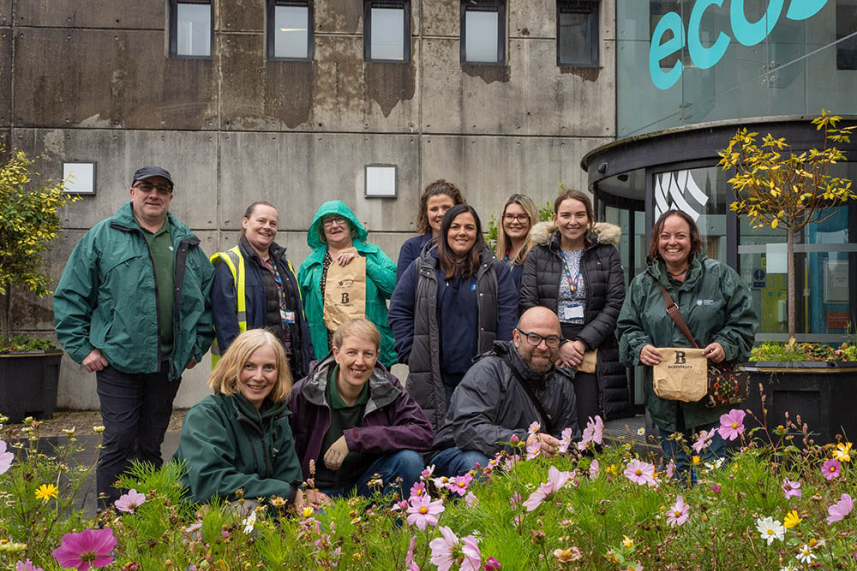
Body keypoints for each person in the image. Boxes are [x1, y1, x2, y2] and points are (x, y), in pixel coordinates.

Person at [54, 166, 215, 507]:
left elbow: (206, 300)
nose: (153, 194)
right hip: (118, 363)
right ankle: (109, 521)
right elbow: (71, 295)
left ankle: (145, 517)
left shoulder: (186, 241)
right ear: (132, 193)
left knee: (151, 442)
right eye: (146, 187)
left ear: (171, 196)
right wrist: (83, 349)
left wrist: (195, 349)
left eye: (161, 188)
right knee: (119, 440)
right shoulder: (103, 236)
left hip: (166, 366)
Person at [616, 209, 757, 479]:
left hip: (709, 400)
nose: (673, 242)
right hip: (665, 400)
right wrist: (640, 347)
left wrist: (725, 345)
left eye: (680, 235)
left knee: (712, 472)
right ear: (657, 241)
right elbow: (626, 327)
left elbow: (744, 321)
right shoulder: (643, 285)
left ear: (692, 240)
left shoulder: (720, 277)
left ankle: (713, 521)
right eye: (665, 235)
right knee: (676, 471)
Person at [389, 204, 518, 430]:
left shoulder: (496, 270)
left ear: (477, 233)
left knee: (478, 439)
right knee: (434, 441)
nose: (462, 232)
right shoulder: (422, 267)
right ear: (445, 230)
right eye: (455, 226)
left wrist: (501, 361)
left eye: (469, 227)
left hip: (481, 376)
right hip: (434, 377)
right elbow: (399, 309)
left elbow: (508, 318)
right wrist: (410, 352)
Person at [174, 329, 325, 508]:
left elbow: (290, 480)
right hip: (199, 518)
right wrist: (287, 493)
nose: (259, 377)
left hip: (261, 509)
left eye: (268, 367)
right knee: (246, 510)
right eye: (249, 366)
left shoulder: (277, 416)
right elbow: (211, 484)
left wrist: (304, 497)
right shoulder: (206, 416)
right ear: (233, 368)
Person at [520, 188, 632, 423]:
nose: (573, 222)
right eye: (566, 215)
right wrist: (558, 345)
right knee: (547, 423)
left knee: (589, 426)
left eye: (580, 215)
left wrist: (580, 344)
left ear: (590, 219)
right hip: (548, 346)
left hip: (592, 346)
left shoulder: (607, 253)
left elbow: (615, 303)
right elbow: (528, 302)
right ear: (555, 218)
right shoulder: (538, 255)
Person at [288, 318, 433, 498]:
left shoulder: (388, 388)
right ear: (336, 354)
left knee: (409, 461)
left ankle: (392, 524)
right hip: (319, 491)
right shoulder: (306, 392)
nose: (359, 362)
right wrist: (300, 491)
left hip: (368, 485)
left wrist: (356, 438)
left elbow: (423, 433)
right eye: (351, 352)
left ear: (377, 356)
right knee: (324, 525)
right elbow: (283, 449)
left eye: (368, 354)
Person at [430, 307, 581, 476]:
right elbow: (467, 429)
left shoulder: (563, 383)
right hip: (460, 452)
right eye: (534, 338)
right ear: (517, 338)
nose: (543, 346)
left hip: (522, 462)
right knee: (477, 464)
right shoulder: (489, 371)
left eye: (551, 339)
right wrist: (524, 443)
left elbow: (569, 441)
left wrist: (559, 454)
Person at [210, 201, 313, 380]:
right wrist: (237, 369)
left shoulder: (284, 265)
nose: (267, 227)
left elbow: (299, 318)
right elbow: (224, 324)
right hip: (250, 371)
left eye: (273, 223)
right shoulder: (227, 264)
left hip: (289, 367)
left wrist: (307, 361)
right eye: (261, 221)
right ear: (245, 222)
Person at [298, 201, 398, 369]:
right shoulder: (310, 263)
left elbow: (394, 288)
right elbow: (298, 307)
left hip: (367, 351)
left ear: (350, 223)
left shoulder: (373, 254)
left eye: (339, 219)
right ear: (321, 229)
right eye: (328, 221)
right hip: (326, 351)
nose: (334, 225)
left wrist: (364, 263)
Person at [396, 179, 466, 283]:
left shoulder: (469, 246)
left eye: (446, 207)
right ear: (426, 213)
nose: (440, 214)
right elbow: (402, 294)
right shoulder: (411, 248)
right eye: (434, 209)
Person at [495, 193, 539, 293]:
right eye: (509, 216)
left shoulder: (538, 255)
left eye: (522, 216)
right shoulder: (498, 257)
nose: (515, 222)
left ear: (531, 219)